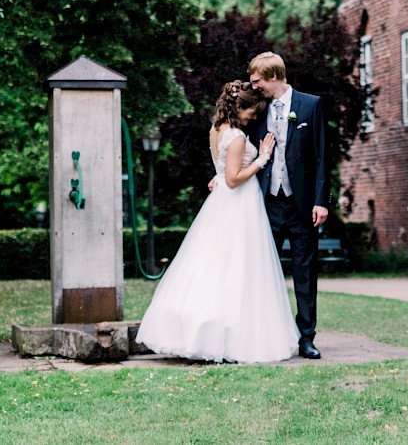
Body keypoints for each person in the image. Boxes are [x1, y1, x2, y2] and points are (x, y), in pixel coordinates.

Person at [135, 81, 299, 363]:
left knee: (213, 264)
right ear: (241, 107)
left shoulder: (215, 129)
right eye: (252, 112)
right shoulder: (235, 136)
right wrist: (262, 159)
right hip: (238, 204)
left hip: (222, 203)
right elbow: (234, 179)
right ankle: (228, 336)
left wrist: (221, 176)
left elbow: (222, 171)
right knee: (236, 267)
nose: (254, 118)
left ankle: (204, 330)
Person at [247, 52, 329, 360]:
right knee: (262, 272)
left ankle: (306, 338)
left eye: (257, 81)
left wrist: (322, 201)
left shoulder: (311, 105)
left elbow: (322, 157)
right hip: (266, 203)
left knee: (305, 273)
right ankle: (262, 334)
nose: (254, 87)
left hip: (302, 205)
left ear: (272, 77)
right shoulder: (258, 108)